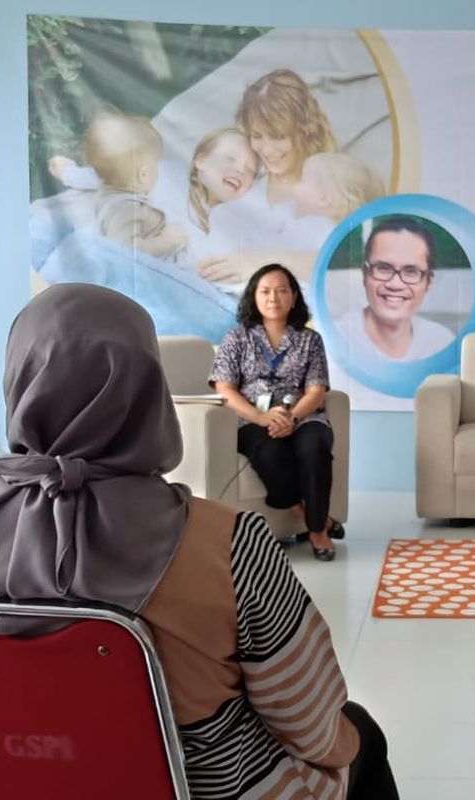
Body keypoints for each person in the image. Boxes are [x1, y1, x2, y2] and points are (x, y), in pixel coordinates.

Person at [0, 284, 398, 799]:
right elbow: (311, 722)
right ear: (147, 388)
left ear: (18, 380)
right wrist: (346, 745)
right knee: (362, 735)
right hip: (207, 790)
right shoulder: (228, 541)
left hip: (4, 783)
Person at [211, 263, 341, 560]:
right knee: (271, 453)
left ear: (294, 297)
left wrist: (292, 418)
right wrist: (261, 418)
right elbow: (225, 388)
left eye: (282, 291)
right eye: (265, 291)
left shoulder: (310, 339)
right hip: (251, 419)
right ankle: (308, 515)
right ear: (253, 297)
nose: (273, 298)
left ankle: (318, 531)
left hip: (303, 416)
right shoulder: (236, 338)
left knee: (316, 446)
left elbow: (316, 390)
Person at [199, 69, 353, 285]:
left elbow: (353, 266)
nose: (267, 150)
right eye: (257, 136)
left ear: (304, 130)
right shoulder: (246, 189)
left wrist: (266, 261)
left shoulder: (335, 189)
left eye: (278, 136)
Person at [335, 216, 456, 362]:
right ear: (364, 274)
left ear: (428, 281)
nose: (395, 284)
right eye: (383, 268)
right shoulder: (336, 337)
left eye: (411, 271)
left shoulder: (440, 343)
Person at [83, 111, 188, 259]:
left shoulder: (108, 196)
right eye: (156, 164)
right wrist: (165, 241)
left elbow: (83, 177)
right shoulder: (123, 208)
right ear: (143, 174)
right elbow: (126, 250)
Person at [289, 151, 386, 247]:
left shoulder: (318, 235)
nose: (294, 185)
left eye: (302, 179)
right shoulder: (347, 237)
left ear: (324, 199)